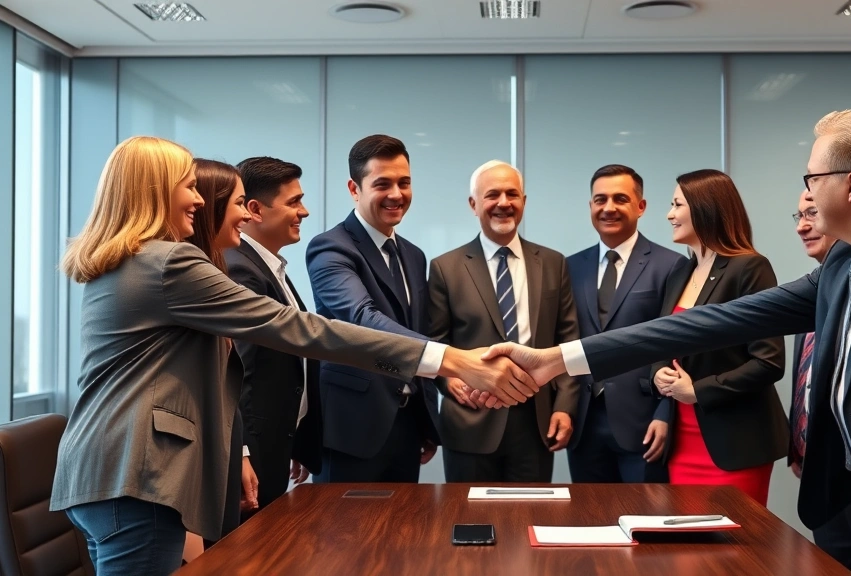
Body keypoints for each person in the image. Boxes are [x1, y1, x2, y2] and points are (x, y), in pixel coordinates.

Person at [485, 110, 851, 576]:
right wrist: (561, 358)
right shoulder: (846, 260)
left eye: (812, 178)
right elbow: (717, 323)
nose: (807, 193)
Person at [51, 136, 538, 576]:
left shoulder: (123, 262)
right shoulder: (171, 263)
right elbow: (299, 330)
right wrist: (449, 360)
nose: (200, 199)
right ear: (154, 190)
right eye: (188, 186)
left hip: (104, 469)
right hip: (138, 476)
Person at [427, 160, 580, 483]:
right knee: (468, 522)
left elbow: (568, 341)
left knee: (529, 521)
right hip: (470, 416)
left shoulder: (553, 263)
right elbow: (433, 343)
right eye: (492, 195)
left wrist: (565, 406)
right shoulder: (446, 267)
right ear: (473, 204)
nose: (503, 203)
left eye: (512, 194)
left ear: (524, 201)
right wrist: (448, 380)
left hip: (535, 421)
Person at [306, 135, 441, 483]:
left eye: (404, 183)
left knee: (404, 534)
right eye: (382, 184)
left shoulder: (413, 255)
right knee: (345, 535)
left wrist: (426, 417)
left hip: (408, 426)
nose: (396, 194)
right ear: (355, 188)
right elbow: (362, 318)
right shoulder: (330, 248)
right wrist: (450, 360)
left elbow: (415, 327)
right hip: (353, 430)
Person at [650, 169, 788, 506]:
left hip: (735, 446)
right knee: (687, 553)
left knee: (734, 551)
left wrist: (697, 391)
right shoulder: (679, 271)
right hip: (681, 442)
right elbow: (662, 341)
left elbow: (769, 362)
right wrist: (658, 371)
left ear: (705, 208)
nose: (669, 214)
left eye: (677, 204)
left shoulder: (750, 268)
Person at [565, 164, 683, 483]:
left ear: (640, 206)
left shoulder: (670, 266)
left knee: (643, 524)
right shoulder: (570, 267)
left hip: (644, 422)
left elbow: (677, 346)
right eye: (600, 199)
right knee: (589, 523)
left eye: (620, 199)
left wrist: (665, 414)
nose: (609, 208)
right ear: (590, 206)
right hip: (583, 421)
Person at [224, 156, 322, 513]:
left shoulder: (270, 266)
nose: (305, 211)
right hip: (255, 451)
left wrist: (298, 440)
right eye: (294, 202)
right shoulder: (240, 270)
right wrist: (243, 453)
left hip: (278, 442)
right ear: (255, 209)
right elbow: (238, 376)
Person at [791, 189, 851, 575]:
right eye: (798, 215)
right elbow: (807, 381)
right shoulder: (820, 290)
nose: (803, 225)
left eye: (813, 213)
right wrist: (799, 443)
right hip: (819, 469)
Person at [183, 158, 254, 555]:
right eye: (240, 203)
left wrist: (239, 452)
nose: (247, 214)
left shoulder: (215, 268)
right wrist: (440, 359)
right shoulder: (180, 270)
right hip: (188, 474)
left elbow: (222, 380)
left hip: (221, 455)